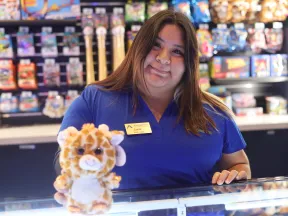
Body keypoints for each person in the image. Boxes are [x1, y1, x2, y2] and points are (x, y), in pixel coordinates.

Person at [54, 9, 251, 194]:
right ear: (138, 48)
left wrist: (235, 176)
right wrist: (75, 184)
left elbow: (239, 165)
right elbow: (64, 161)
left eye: (177, 52)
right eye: (156, 45)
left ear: (189, 64)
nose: (163, 58)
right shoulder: (95, 99)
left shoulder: (214, 112)